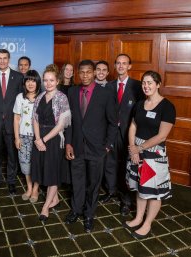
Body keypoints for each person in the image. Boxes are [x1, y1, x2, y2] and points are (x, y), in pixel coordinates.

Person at [64, 60, 117, 233]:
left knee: (93, 184)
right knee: (77, 181)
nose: (85, 75)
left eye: (88, 72)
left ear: (94, 73)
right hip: (77, 146)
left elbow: (112, 122)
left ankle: (89, 214)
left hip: (97, 148)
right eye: (82, 72)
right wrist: (69, 143)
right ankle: (76, 209)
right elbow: (69, 121)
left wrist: (107, 146)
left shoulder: (106, 93)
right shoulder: (72, 92)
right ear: (78, 74)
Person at [124, 71, 176, 239]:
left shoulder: (167, 106)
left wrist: (139, 148)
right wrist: (133, 147)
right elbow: (133, 126)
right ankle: (139, 217)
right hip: (136, 151)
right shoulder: (139, 104)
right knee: (141, 188)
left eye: (150, 83)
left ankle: (147, 224)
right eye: (144, 83)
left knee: (153, 191)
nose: (146, 86)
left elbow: (162, 136)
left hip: (154, 155)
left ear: (158, 84)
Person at [101, 54, 144, 217]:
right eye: (118, 63)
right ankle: (111, 191)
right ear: (115, 65)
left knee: (127, 166)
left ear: (129, 66)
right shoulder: (108, 86)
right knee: (110, 163)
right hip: (111, 133)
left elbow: (140, 111)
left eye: (124, 63)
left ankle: (126, 200)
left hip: (129, 134)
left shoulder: (137, 86)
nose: (120, 66)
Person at [31, 65, 71, 222]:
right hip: (39, 138)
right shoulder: (40, 97)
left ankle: (45, 207)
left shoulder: (62, 98)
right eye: (45, 80)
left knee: (52, 173)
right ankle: (54, 199)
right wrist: (37, 138)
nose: (48, 83)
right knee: (42, 170)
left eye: (51, 80)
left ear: (58, 81)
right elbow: (35, 119)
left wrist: (44, 140)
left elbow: (61, 125)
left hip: (53, 140)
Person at [0, 49, 24, 194]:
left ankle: (12, 182)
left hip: (11, 124)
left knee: (12, 155)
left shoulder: (18, 77)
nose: (2, 61)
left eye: (5, 58)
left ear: (9, 59)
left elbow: (21, 102)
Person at [13, 70, 41, 202]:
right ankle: (29, 187)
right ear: (24, 83)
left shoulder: (43, 96)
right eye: (28, 80)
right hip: (23, 136)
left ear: (38, 82)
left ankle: (36, 189)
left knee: (37, 163)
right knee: (25, 164)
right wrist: (17, 138)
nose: (30, 83)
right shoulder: (20, 97)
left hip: (38, 138)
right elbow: (17, 119)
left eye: (33, 80)